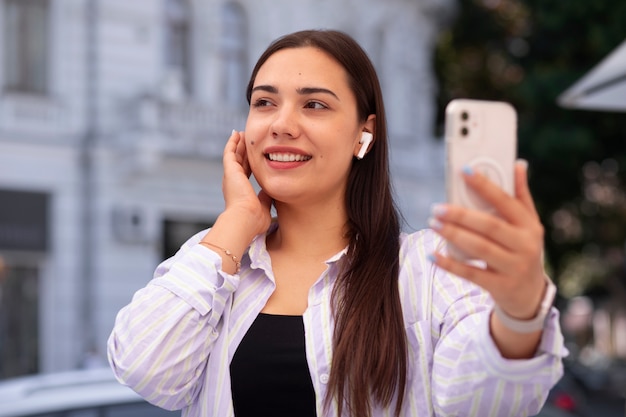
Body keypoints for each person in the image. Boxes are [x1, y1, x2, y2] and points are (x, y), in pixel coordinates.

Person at [107, 29, 567, 417]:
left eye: (315, 106)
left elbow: (485, 400)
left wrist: (519, 315)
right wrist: (237, 220)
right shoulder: (219, 264)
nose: (281, 124)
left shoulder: (428, 269)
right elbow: (146, 370)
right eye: (264, 103)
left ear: (363, 133)